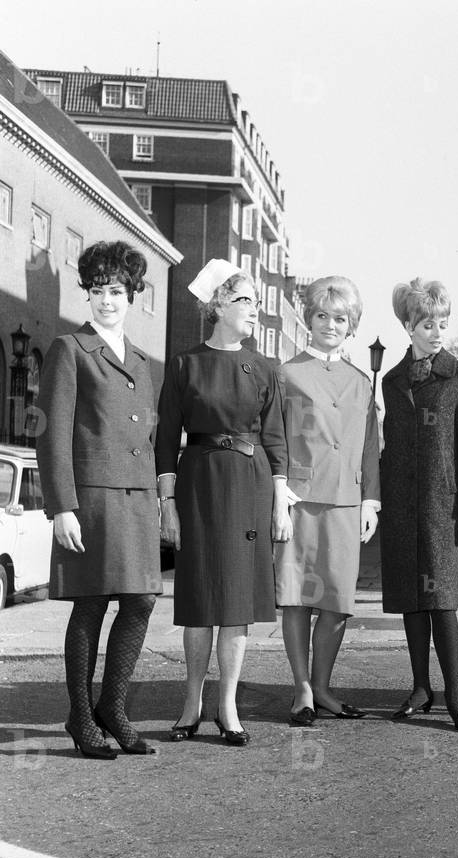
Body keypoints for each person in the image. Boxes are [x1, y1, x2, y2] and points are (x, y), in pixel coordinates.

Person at [156, 259, 291, 746]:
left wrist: (280, 500)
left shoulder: (265, 368)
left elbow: (276, 439)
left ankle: (227, 705)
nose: (254, 310)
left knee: (236, 602)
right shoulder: (184, 364)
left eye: (255, 301)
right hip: (197, 485)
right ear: (217, 306)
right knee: (197, 599)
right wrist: (167, 503)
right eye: (245, 301)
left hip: (249, 486)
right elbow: (166, 438)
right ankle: (191, 701)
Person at [34, 241, 160, 759]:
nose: (106, 300)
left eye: (115, 291)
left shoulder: (144, 362)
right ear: (86, 294)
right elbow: (51, 433)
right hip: (90, 501)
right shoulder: (70, 350)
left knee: (142, 599)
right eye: (96, 291)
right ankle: (82, 717)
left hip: (135, 502)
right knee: (91, 603)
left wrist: (155, 499)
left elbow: (146, 439)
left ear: (131, 295)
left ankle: (113, 705)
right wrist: (61, 506)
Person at [379, 278, 458, 733]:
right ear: (408, 326)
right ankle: (421, 687)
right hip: (402, 504)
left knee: (442, 600)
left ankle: (455, 697)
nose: (437, 331)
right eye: (427, 323)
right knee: (411, 597)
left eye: (442, 323)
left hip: (445, 505)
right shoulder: (391, 381)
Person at [275, 276, 379, 726]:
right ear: (309, 319)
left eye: (340, 318)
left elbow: (370, 446)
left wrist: (371, 501)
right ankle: (301, 688)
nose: (330, 325)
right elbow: (274, 439)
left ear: (352, 325)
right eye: (322, 316)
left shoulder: (361, 381)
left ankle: (322, 686)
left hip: (346, 501)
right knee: (297, 597)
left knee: (337, 601)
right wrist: (278, 495)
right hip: (300, 499)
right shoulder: (286, 374)